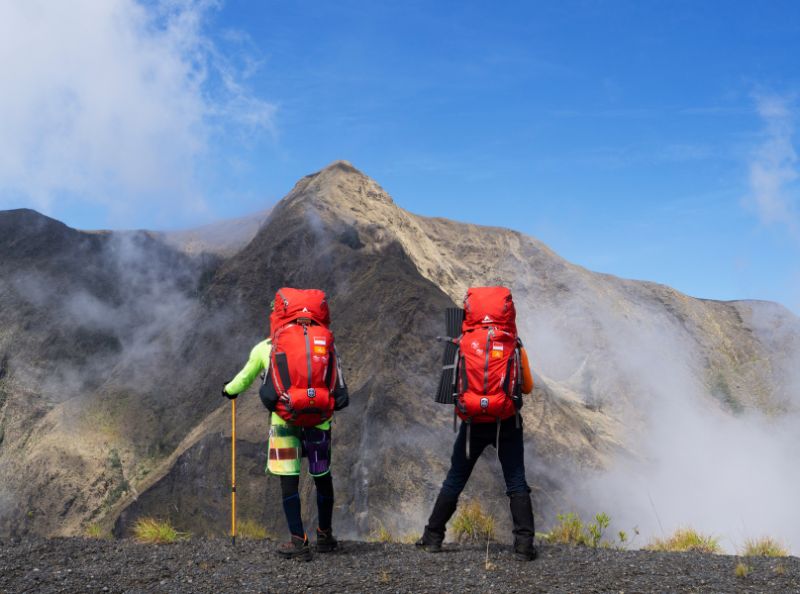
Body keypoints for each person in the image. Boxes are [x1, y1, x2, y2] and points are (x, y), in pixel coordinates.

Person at [223, 288, 349, 561]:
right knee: (322, 477)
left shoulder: (266, 348)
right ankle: (325, 536)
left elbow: (243, 379)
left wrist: (229, 390)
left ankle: (298, 541)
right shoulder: (327, 343)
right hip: (320, 421)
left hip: (284, 421)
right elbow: (337, 383)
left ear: (278, 314)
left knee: (288, 481)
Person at [417, 286, 537, 561]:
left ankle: (432, 537)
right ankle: (523, 546)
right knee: (516, 481)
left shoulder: (465, 340)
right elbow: (527, 387)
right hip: (507, 422)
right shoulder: (512, 343)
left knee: (455, 479)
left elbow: (454, 383)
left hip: (472, 423)